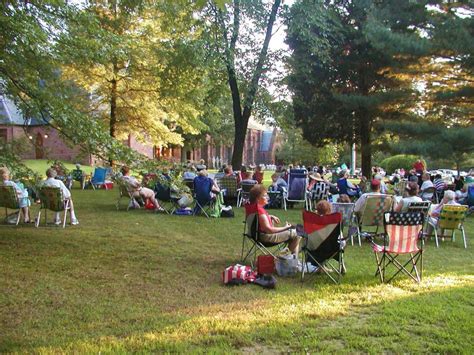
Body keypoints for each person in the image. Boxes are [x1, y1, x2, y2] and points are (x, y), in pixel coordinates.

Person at [245, 184, 300, 255]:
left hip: (254, 235)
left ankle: (292, 259)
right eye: (265, 196)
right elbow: (269, 230)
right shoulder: (260, 211)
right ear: (258, 199)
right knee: (298, 233)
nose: (267, 197)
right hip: (265, 238)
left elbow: (256, 220)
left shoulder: (251, 208)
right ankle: (284, 257)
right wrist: (285, 227)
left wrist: (269, 216)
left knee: (293, 233)